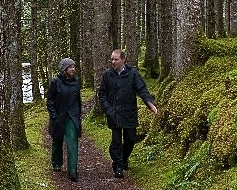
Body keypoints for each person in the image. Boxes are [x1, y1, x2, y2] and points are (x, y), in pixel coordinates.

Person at [97, 48, 157, 178]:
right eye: (112, 59)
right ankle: (117, 166)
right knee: (116, 141)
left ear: (123, 59)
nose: (113, 62)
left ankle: (124, 158)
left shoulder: (133, 73)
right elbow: (102, 94)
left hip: (129, 112)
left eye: (116, 59)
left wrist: (150, 104)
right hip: (114, 113)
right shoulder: (107, 74)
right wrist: (108, 109)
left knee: (130, 139)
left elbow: (142, 89)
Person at [46, 58, 83, 182]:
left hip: (72, 116)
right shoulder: (55, 82)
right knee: (57, 140)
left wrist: (78, 115)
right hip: (58, 116)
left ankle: (72, 171)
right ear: (64, 69)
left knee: (72, 142)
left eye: (73, 67)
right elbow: (50, 101)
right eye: (70, 67)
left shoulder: (76, 82)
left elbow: (78, 100)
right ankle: (56, 163)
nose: (73, 69)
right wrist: (54, 115)